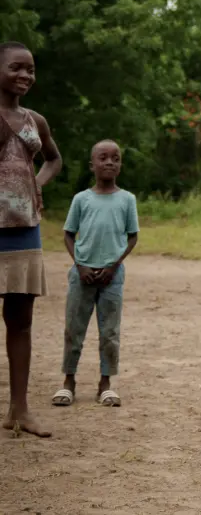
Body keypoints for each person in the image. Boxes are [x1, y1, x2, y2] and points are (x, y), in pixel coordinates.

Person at [0, 41, 63, 438]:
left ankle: (19, 409)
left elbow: (54, 159)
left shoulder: (35, 120)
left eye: (31, 70)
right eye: (15, 68)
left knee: (20, 321)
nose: (25, 76)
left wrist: (36, 184)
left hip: (24, 228)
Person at [52, 139, 138, 408]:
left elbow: (132, 237)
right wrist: (80, 265)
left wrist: (113, 265)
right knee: (74, 329)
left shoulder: (127, 199)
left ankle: (106, 383)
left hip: (112, 277)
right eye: (103, 158)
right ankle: (69, 382)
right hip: (82, 274)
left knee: (110, 331)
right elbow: (68, 234)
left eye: (115, 158)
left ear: (120, 165)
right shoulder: (81, 199)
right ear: (92, 165)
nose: (109, 162)